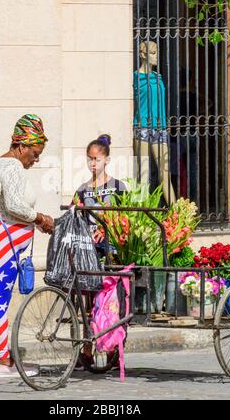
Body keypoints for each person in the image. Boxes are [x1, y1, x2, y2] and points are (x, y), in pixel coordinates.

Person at [0, 114, 54, 379]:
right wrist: (41, 219)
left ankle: (5, 358)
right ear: (21, 146)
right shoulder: (12, 168)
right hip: (0, 240)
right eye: (35, 152)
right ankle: (2, 362)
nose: (37, 158)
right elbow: (15, 206)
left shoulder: (0, 163)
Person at [72, 134, 126, 369]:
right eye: (89, 159)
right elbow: (77, 217)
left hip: (110, 250)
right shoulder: (83, 190)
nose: (93, 164)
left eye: (97, 159)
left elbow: (125, 216)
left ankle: (113, 346)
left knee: (108, 300)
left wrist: (108, 229)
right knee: (87, 300)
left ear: (107, 160)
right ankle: (86, 349)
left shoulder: (118, 187)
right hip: (89, 250)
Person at [133, 40, 176, 205]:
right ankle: (141, 216)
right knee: (143, 174)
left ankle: (177, 214)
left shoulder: (158, 77)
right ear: (143, 55)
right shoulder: (135, 78)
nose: (156, 56)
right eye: (152, 53)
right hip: (142, 126)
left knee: (165, 172)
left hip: (160, 127)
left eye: (156, 52)